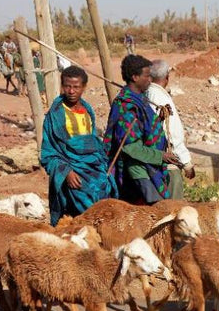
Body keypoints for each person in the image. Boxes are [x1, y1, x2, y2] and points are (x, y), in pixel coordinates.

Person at [40, 65, 117, 225]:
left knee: (106, 206)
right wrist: (66, 172)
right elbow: (48, 153)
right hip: (73, 173)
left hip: (95, 170)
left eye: (76, 87)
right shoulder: (54, 116)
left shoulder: (88, 111)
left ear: (84, 88)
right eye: (67, 86)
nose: (71, 91)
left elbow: (92, 142)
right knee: (81, 217)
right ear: (62, 86)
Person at [103, 54, 173, 204]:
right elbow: (130, 147)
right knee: (151, 209)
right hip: (136, 172)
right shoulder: (126, 107)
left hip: (147, 167)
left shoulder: (139, 99)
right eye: (147, 76)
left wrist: (156, 121)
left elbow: (142, 128)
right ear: (135, 77)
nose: (150, 80)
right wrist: (161, 156)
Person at [146, 59, 195, 201]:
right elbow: (172, 134)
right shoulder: (161, 99)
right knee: (173, 211)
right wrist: (187, 163)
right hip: (167, 166)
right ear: (167, 77)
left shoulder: (146, 95)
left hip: (150, 163)